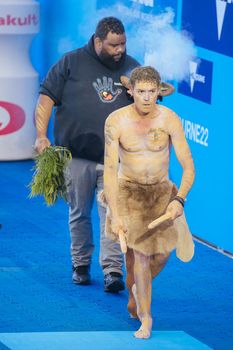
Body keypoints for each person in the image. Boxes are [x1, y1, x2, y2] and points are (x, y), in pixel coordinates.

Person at [34, 17, 174, 293]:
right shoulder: (70, 63)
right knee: (79, 213)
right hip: (76, 157)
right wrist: (41, 135)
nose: (119, 49)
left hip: (115, 160)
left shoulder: (133, 69)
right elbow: (46, 97)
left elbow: (150, 104)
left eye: (122, 43)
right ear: (98, 41)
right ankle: (81, 264)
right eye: (113, 45)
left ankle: (112, 270)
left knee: (113, 215)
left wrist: (159, 93)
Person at [103, 66, 195, 337]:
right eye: (140, 91)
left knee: (162, 254)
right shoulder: (115, 121)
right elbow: (109, 169)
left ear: (159, 91)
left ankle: (136, 289)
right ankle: (146, 318)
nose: (145, 97)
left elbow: (188, 166)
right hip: (128, 190)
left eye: (151, 92)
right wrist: (116, 213)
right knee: (141, 255)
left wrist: (180, 200)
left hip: (161, 191)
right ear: (130, 91)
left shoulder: (170, 119)